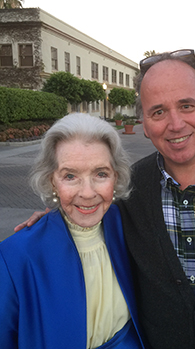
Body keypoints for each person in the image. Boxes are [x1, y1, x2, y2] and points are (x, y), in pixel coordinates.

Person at [14, 50, 195, 348]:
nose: (175, 124)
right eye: (158, 112)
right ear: (144, 123)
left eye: (187, 105)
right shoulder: (129, 190)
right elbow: (88, 210)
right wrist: (52, 220)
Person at [0, 113, 148, 349]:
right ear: (52, 182)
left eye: (101, 174)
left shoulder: (129, 226)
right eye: (70, 176)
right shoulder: (16, 257)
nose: (87, 193)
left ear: (115, 177)